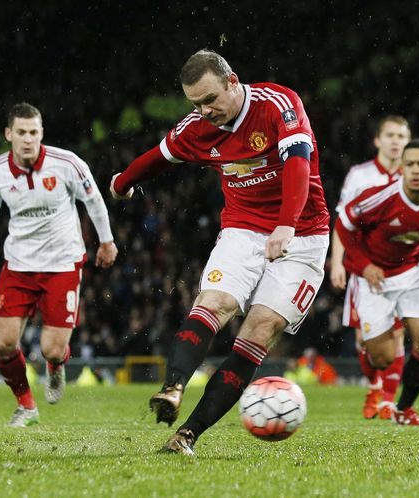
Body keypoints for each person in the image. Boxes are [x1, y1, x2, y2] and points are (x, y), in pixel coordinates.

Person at [110, 49, 330, 455]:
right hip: (242, 231)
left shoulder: (279, 104)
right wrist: (122, 182)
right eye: (195, 103)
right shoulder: (197, 127)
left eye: (210, 99)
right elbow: (156, 158)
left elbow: (299, 164)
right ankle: (173, 389)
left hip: (303, 235)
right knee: (215, 302)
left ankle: (186, 435)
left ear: (233, 81)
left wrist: (285, 223)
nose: (204, 110)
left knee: (259, 329)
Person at [0, 103, 118, 427]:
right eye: (22, 133)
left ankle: (56, 367)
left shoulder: (66, 164)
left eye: (34, 132)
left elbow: (94, 200)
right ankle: (26, 406)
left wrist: (107, 241)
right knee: (3, 344)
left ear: (42, 133)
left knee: (52, 350)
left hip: (62, 264)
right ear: (8, 134)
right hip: (18, 265)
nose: (28, 139)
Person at [336, 138, 419, 426]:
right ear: (401, 169)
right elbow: (344, 224)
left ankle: (404, 409)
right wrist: (364, 265)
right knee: (382, 358)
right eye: (410, 164)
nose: (415, 170)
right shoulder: (379, 198)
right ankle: (375, 380)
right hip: (374, 279)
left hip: (411, 273)